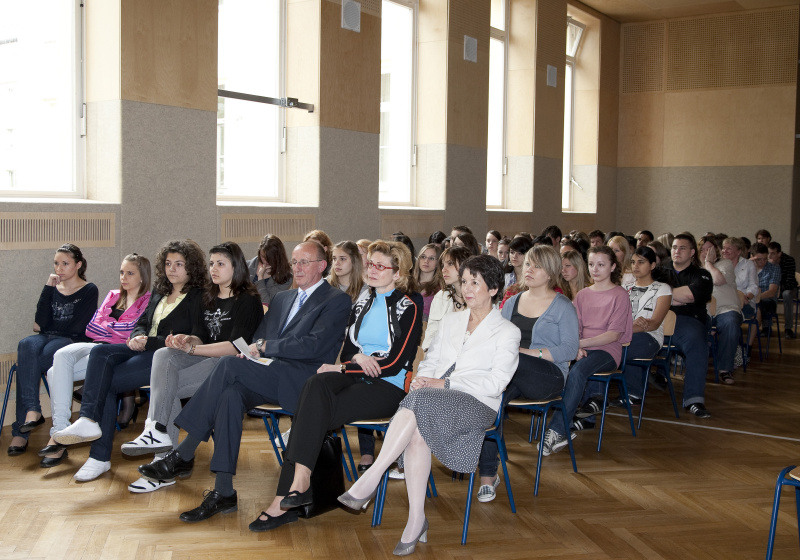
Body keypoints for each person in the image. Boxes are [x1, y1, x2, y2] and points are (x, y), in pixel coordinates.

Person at [135, 241, 351, 522]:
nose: (297, 268)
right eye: (294, 262)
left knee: (227, 365)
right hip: (267, 373)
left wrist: (265, 348)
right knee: (230, 395)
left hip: (303, 382)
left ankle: (184, 452)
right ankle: (223, 491)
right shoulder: (283, 299)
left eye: (304, 262)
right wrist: (252, 352)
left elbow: (314, 346)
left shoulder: (336, 300)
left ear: (322, 266)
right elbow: (257, 338)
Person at [337, 255, 520, 554]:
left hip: (478, 404)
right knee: (417, 430)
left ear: (494, 289)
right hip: (432, 398)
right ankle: (415, 520)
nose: (467, 288)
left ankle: (373, 476)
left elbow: (496, 383)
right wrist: (423, 379)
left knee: (417, 403)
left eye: (475, 283)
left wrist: (444, 384)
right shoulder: (452, 321)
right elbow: (431, 360)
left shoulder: (507, 332)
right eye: (464, 281)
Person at [246, 240, 423, 532]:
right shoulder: (362, 302)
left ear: (398, 273)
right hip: (357, 374)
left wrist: (345, 366)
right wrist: (357, 359)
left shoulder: (409, 306)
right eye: (371, 264)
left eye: (380, 266)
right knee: (315, 385)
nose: (372, 270)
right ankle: (300, 481)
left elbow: (393, 363)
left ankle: (285, 497)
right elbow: (349, 350)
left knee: (311, 411)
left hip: (388, 386)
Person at [52, 240, 207, 480]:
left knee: (106, 382)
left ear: (192, 267)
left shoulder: (199, 296)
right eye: (168, 263)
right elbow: (142, 322)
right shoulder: (160, 291)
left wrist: (148, 341)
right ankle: (87, 420)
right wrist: (137, 336)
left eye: (179, 264)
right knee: (100, 354)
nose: (172, 269)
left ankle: (98, 455)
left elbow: (194, 336)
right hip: (142, 347)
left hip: (165, 356)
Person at [119, 242, 264, 493]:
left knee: (168, 388)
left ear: (236, 267)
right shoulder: (207, 296)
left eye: (220, 264)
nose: (213, 269)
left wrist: (193, 349)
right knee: (164, 354)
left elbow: (234, 347)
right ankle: (157, 433)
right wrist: (186, 340)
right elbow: (199, 336)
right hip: (204, 359)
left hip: (230, 366)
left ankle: (163, 461)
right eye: (211, 264)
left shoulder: (248, 300)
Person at [477, 246, 579, 501]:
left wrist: (526, 353)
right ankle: (488, 475)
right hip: (513, 371)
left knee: (509, 362)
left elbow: (570, 349)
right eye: (528, 264)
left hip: (548, 377)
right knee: (489, 399)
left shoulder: (563, 306)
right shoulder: (512, 302)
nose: (529, 270)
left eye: (537, 266)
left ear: (551, 273)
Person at [38, 254, 151, 468]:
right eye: (121, 272)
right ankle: (59, 430)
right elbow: (91, 328)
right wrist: (115, 329)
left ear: (142, 276)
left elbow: (131, 331)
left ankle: (58, 440)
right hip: (97, 347)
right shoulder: (113, 295)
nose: (124, 277)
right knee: (61, 356)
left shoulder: (148, 301)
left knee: (54, 373)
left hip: (121, 352)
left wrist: (108, 326)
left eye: (130, 273)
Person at [8, 244, 99, 457]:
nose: (59, 268)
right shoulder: (53, 288)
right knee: (25, 344)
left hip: (71, 341)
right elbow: (39, 324)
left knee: (26, 367)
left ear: (78, 265)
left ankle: (21, 431)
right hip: (47, 337)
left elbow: (79, 327)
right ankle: (33, 409)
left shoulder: (89, 289)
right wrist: (47, 289)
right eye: (56, 263)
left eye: (65, 263)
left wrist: (51, 328)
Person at [541, 246, 632, 455]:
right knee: (555, 365)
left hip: (607, 351)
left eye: (601, 265)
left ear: (613, 267)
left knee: (578, 372)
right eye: (591, 264)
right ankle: (565, 422)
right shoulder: (582, 295)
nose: (595, 269)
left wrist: (579, 345)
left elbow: (613, 335)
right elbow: (574, 328)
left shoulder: (620, 295)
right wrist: (575, 346)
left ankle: (556, 430)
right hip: (582, 347)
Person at [661, 234, 714, 418]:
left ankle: (693, 399)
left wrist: (664, 295)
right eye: (674, 247)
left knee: (697, 343)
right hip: (658, 319)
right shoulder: (659, 271)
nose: (677, 251)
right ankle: (632, 394)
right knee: (632, 336)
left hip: (687, 321)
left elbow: (690, 296)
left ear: (692, 252)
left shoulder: (702, 275)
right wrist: (676, 297)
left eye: (682, 248)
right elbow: (649, 293)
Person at [619, 247, 672, 401]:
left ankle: (630, 394)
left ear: (652, 265)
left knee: (612, 350)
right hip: (624, 335)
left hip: (650, 337)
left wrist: (625, 329)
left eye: (641, 262)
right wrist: (630, 326)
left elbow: (653, 324)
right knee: (605, 348)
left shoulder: (662, 288)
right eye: (633, 262)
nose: (635, 266)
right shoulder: (624, 288)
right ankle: (598, 397)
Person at [699, 236, 740, 385]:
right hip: (704, 310)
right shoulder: (694, 268)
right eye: (703, 249)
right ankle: (695, 367)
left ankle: (725, 369)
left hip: (725, 308)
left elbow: (718, 280)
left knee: (730, 322)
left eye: (709, 249)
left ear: (715, 251)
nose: (706, 252)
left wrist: (708, 263)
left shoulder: (725, 263)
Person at [421, 246, 472, 351]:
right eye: (443, 265)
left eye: (450, 264)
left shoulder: (478, 297)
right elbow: (431, 334)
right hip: (440, 355)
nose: (444, 270)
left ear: (465, 264)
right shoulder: (441, 296)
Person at [247, 234, 293, 307]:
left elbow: (267, 304)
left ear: (278, 257)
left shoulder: (286, 278)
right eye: (263, 257)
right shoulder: (246, 267)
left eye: (270, 258)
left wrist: (260, 279)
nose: (265, 261)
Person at [721, 237, 759, 320]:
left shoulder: (748, 264)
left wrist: (746, 297)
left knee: (730, 316)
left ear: (738, 251)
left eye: (729, 248)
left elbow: (753, 286)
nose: (724, 251)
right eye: (723, 248)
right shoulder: (718, 265)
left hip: (744, 303)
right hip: (723, 301)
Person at [767, 241, 797, 338]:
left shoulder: (789, 260)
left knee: (786, 294)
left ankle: (788, 328)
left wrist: (777, 289)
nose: (769, 256)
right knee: (767, 293)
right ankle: (766, 327)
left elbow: (790, 281)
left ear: (779, 254)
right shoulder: (766, 262)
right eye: (768, 253)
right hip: (773, 287)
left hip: (787, 287)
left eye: (773, 253)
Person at [413, 244, 444, 320]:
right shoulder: (407, 283)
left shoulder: (440, 290)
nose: (426, 261)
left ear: (438, 263)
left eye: (431, 258)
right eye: (423, 257)